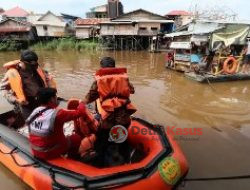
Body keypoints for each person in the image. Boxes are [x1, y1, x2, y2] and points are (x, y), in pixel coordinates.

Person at [84, 57, 137, 166]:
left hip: (108, 120)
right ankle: (127, 162)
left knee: (102, 142)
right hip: (123, 119)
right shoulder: (124, 78)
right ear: (114, 66)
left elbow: (90, 98)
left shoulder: (99, 80)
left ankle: (101, 165)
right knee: (123, 141)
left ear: (102, 67)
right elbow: (132, 90)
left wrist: (81, 104)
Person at [26, 88, 88, 160]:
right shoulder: (59, 113)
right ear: (52, 99)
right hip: (48, 152)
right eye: (55, 96)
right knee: (75, 138)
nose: (57, 98)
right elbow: (81, 112)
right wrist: (81, 103)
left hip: (35, 149)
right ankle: (72, 159)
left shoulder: (36, 110)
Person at [0, 50, 56, 120]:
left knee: (47, 120)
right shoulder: (12, 73)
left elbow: (47, 79)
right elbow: (3, 89)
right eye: (31, 65)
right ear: (22, 62)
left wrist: (51, 90)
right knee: (32, 122)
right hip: (26, 105)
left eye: (35, 64)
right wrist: (15, 100)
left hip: (42, 100)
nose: (33, 67)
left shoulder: (37, 68)